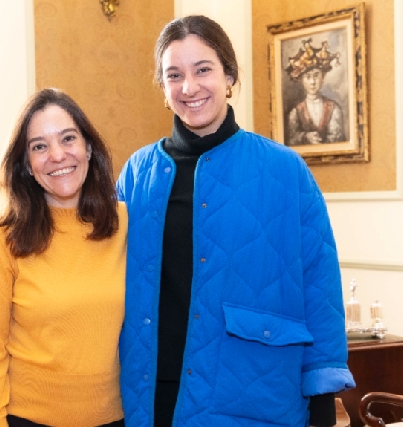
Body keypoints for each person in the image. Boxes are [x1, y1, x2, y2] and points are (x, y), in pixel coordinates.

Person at [116, 15, 355, 427]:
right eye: (174, 75)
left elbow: (320, 287)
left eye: (203, 69)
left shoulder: (285, 170)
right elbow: (98, 260)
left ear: (229, 75)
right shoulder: (138, 173)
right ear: (163, 88)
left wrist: (321, 398)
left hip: (251, 397)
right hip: (147, 395)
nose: (189, 87)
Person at [0, 88, 127, 427]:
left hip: (116, 419)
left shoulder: (126, 224)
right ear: (26, 165)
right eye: (39, 146)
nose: (57, 155)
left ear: (88, 147)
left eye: (68, 139)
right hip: (28, 420)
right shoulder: (1, 238)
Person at [285, 38, 345, 146]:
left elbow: (338, 138)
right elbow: (291, 140)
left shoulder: (334, 108)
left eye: (316, 76)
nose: (312, 82)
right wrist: (305, 137)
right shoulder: (296, 112)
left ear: (323, 77)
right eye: (308, 77)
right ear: (301, 81)